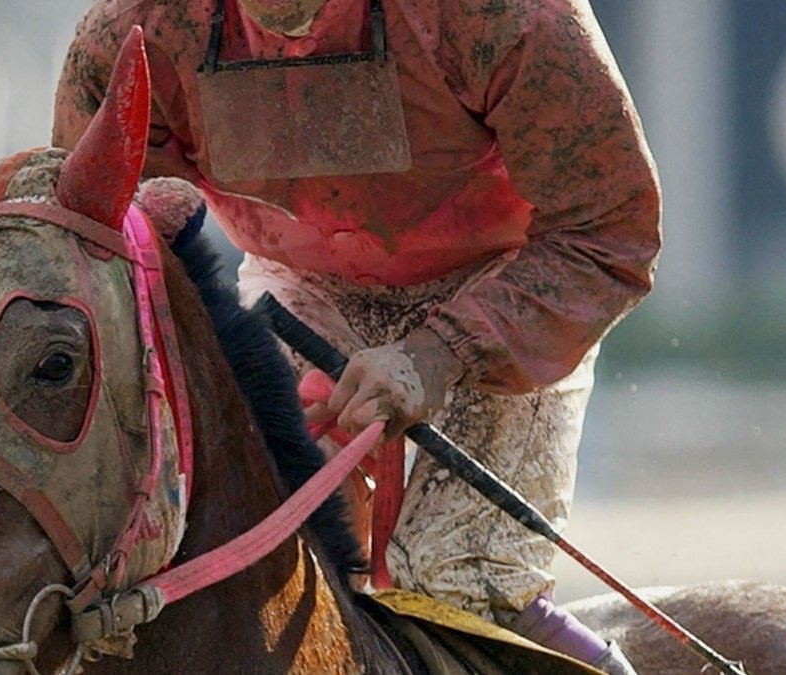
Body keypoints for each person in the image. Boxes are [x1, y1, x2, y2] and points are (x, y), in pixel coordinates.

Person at [53, 1, 659, 672]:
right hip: (295, 288)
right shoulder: (135, 32)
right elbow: (92, 246)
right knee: (203, 558)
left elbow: (610, 228)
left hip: (497, 287)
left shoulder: (503, 14)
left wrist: (439, 354)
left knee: (460, 582)